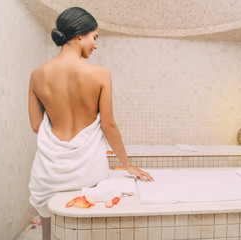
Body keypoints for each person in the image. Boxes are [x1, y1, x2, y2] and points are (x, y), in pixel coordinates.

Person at [28, 7, 154, 240]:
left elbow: (37, 125)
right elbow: (108, 125)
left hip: (48, 173)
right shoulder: (100, 74)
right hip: (88, 171)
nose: (95, 45)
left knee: (49, 232)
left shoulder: (37, 75)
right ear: (79, 35)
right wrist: (127, 165)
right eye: (94, 37)